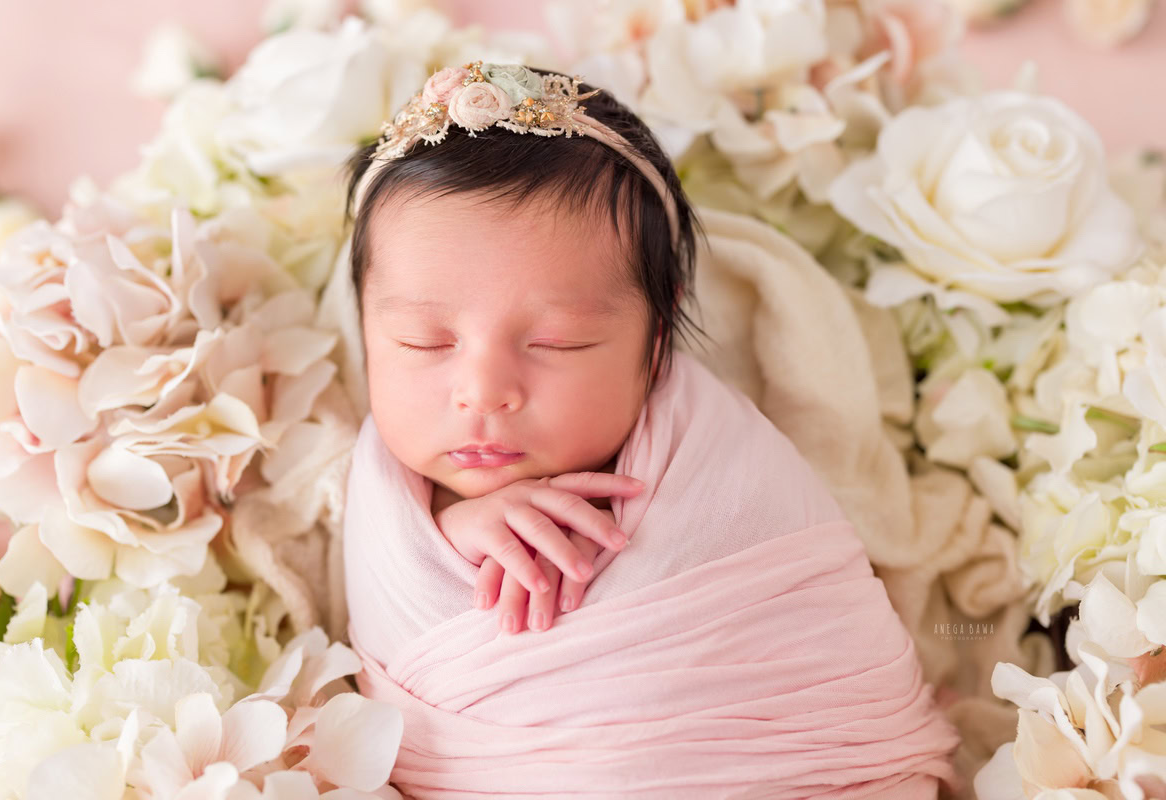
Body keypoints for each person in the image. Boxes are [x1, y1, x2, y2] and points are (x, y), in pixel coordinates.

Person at [338, 61, 960, 798]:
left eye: (557, 343)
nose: (484, 392)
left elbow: (821, 651)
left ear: (655, 341)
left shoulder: (723, 465)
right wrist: (450, 529)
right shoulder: (379, 495)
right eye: (423, 342)